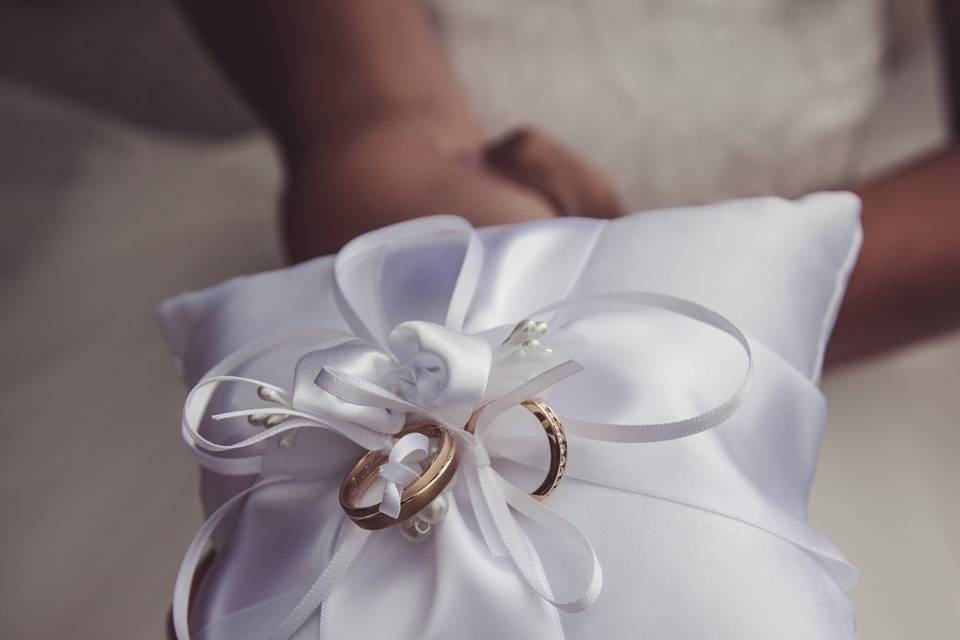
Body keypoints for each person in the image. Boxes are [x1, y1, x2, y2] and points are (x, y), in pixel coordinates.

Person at [175, 0, 960, 364]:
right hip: (436, 275)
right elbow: (370, 105)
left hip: (844, 306)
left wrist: (673, 316)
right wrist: (380, 150)